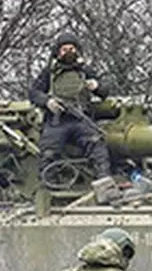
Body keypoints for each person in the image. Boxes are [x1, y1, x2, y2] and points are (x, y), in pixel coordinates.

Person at [29, 32, 112, 184]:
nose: (68, 52)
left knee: (97, 146)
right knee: (48, 153)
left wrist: (96, 86)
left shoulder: (85, 71)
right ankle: (49, 189)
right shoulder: (50, 73)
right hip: (57, 121)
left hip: (81, 119)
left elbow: (105, 91)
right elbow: (34, 93)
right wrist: (47, 101)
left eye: (71, 49)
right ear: (58, 52)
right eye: (64, 49)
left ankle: (104, 184)